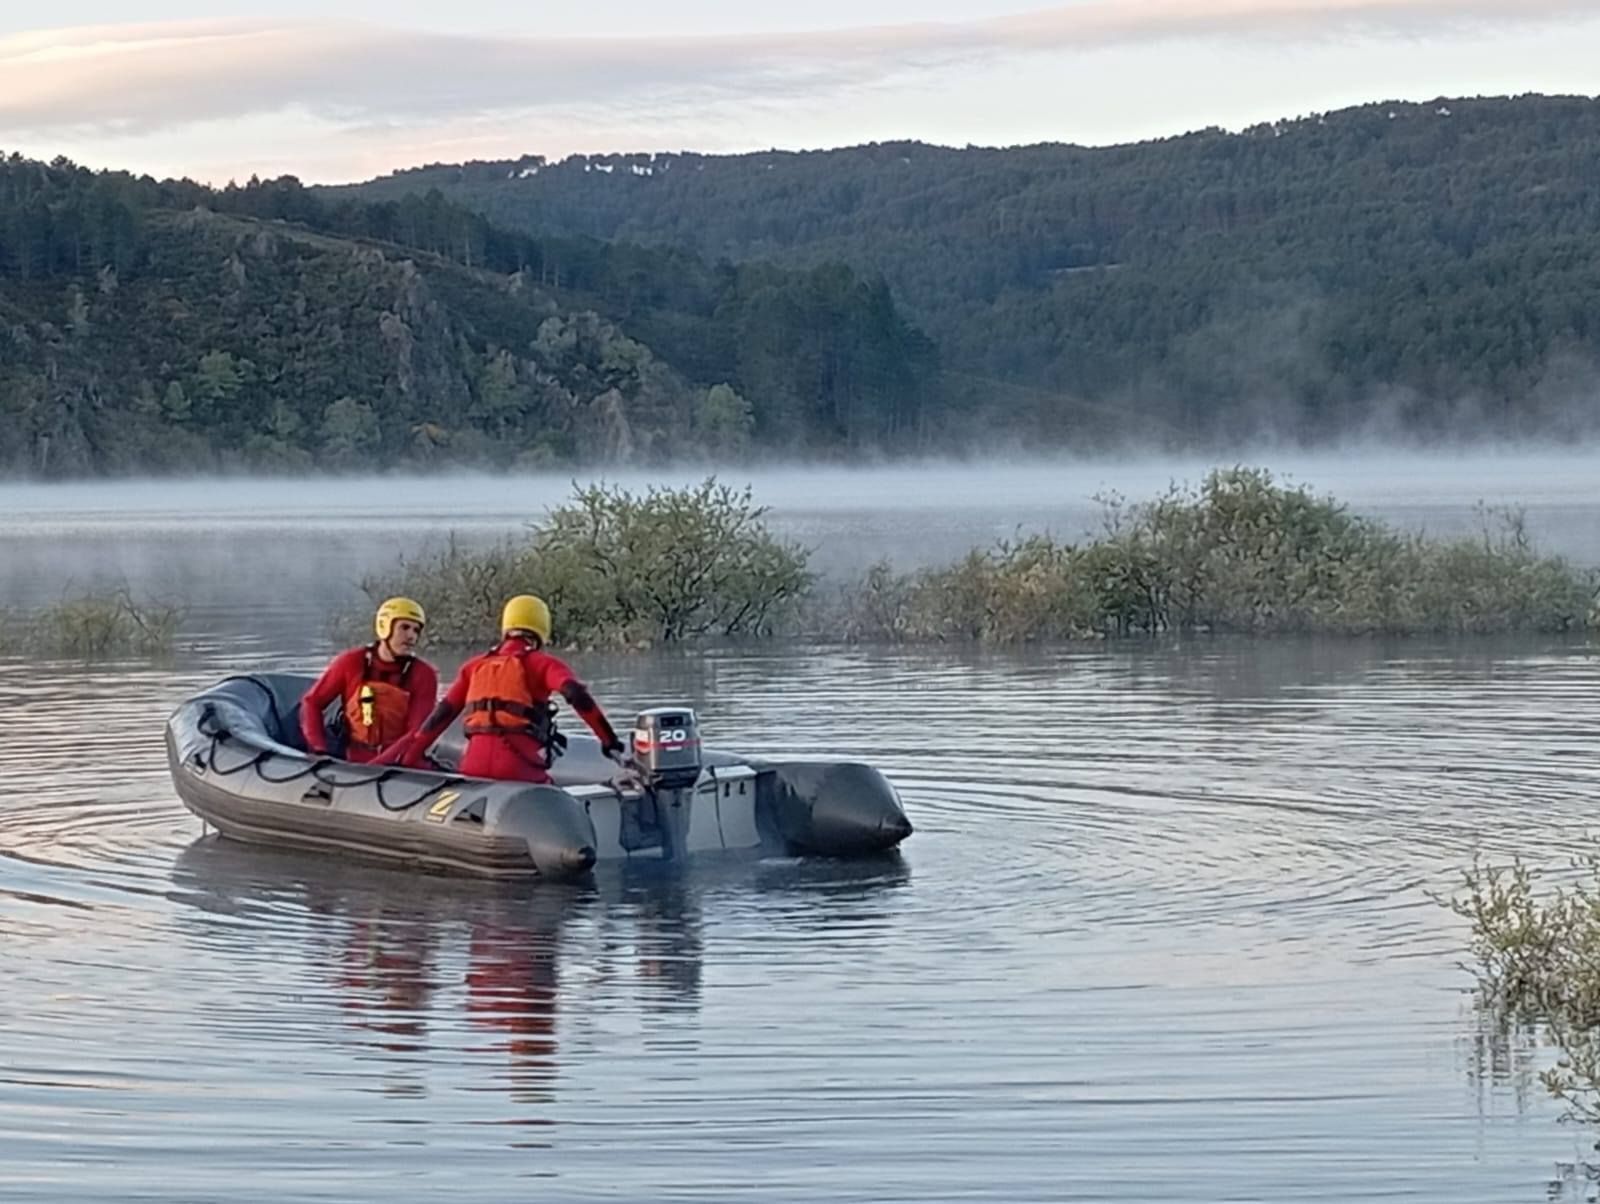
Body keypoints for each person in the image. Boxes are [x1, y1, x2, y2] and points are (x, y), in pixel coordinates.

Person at [380, 594, 625, 783]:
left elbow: (440, 717)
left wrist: (408, 760)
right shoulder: (542, 664)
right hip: (520, 770)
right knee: (555, 795)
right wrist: (610, 742)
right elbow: (575, 694)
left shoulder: (473, 666)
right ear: (542, 628)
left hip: (472, 768)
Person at [299, 596, 440, 764]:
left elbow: (416, 733)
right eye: (405, 627)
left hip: (401, 764)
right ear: (385, 627)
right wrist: (318, 749)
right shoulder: (350, 662)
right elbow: (312, 703)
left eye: (416, 631)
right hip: (355, 759)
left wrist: (375, 767)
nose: (411, 636)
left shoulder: (424, 675)